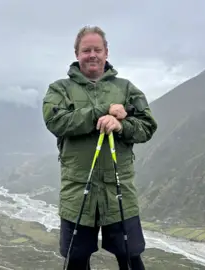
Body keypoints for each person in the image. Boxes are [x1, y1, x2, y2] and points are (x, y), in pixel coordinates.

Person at [42, 25, 158, 270]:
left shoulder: (127, 89)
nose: (92, 54)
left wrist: (121, 126)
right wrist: (102, 111)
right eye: (86, 50)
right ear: (76, 54)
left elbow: (147, 126)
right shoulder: (59, 89)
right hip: (77, 192)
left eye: (97, 49)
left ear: (106, 52)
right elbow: (56, 121)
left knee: (131, 256)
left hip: (119, 193)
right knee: (76, 259)